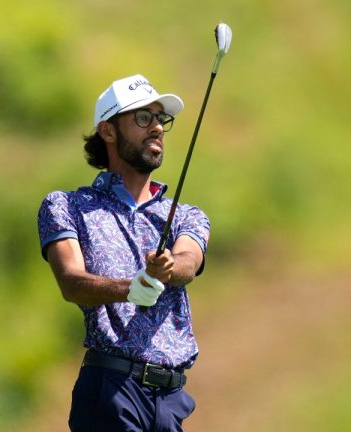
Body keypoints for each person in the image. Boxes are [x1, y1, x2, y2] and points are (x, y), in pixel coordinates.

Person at [37, 73, 210, 432]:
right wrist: (128, 288)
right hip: (110, 390)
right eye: (143, 118)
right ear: (109, 131)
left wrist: (166, 269)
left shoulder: (185, 215)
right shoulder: (67, 207)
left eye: (161, 119)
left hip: (170, 402)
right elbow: (71, 283)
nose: (157, 128)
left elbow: (188, 261)